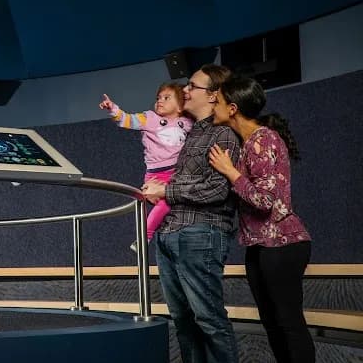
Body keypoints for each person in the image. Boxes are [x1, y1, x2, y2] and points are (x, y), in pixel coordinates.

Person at [208, 76, 314, 363]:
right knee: (272, 323)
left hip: (282, 243)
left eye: (215, 101)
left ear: (232, 108)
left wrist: (231, 172)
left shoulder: (263, 139)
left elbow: (265, 202)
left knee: (288, 323)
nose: (211, 104)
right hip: (259, 245)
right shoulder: (247, 144)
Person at [142, 64, 240, 363]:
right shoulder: (191, 133)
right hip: (170, 235)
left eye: (192, 87)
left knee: (208, 319)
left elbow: (217, 190)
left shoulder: (222, 134)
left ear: (213, 96)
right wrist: (157, 189)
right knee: (183, 322)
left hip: (199, 235)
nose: (185, 90)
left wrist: (165, 192)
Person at [99, 82, 192, 249]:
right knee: (167, 203)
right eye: (158, 98)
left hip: (176, 173)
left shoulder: (186, 122)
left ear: (180, 106)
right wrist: (112, 109)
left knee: (171, 204)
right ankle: (144, 236)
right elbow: (127, 120)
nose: (160, 101)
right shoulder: (150, 118)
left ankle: (164, 235)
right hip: (157, 175)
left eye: (166, 97)